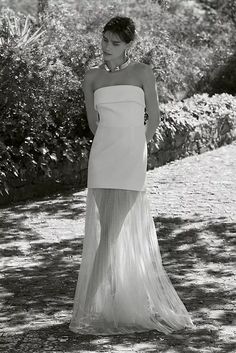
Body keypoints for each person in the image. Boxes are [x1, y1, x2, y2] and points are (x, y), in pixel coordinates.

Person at [69, 15, 194, 336]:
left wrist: (137, 144)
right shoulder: (91, 77)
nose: (107, 47)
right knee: (105, 229)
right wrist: (112, 140)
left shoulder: (143, 72)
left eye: (115, 43)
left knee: (111, 233)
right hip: (103, 157)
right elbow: (93, 123)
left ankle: (89, 307)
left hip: (130, 157)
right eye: (104, 40)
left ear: (128, 46)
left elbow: (153, 116)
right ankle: (105, 300)